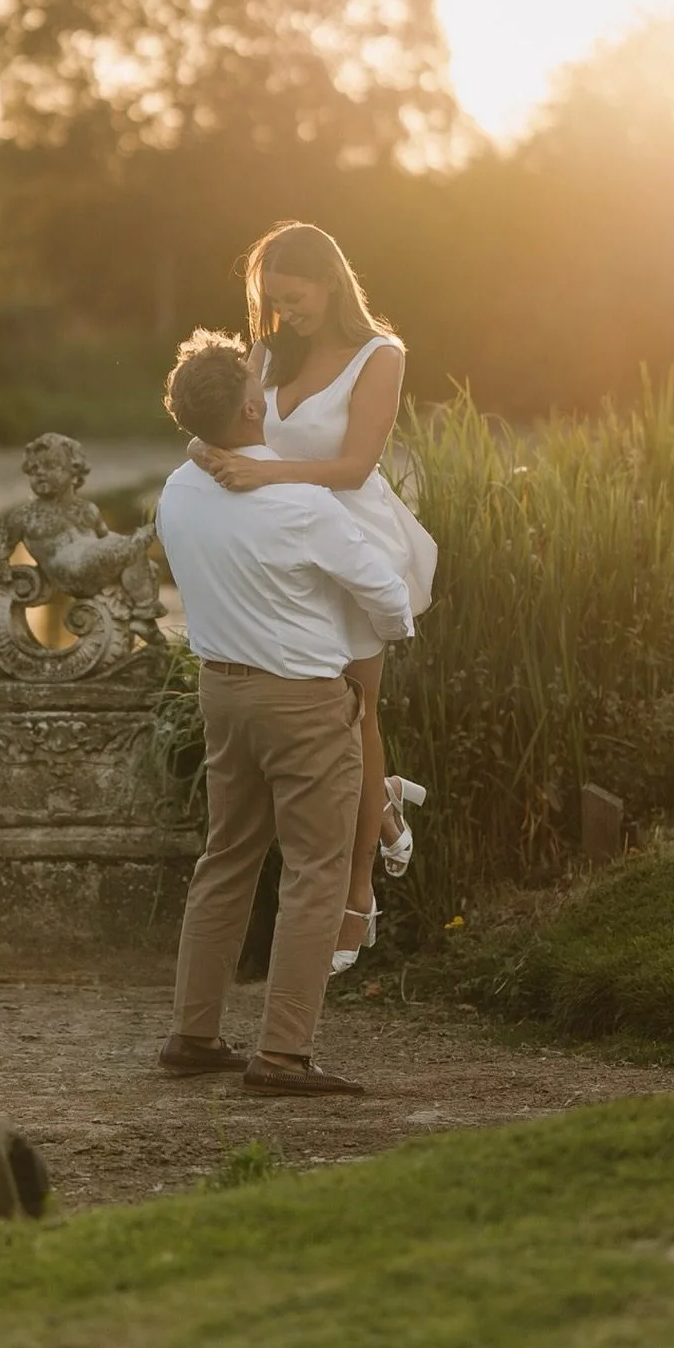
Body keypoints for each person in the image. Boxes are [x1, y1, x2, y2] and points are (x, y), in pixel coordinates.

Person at [156, 330, 413, 1095]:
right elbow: (392, 604)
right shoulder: (300, 502)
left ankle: (193, 1034)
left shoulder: (177, 489)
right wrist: (357, 643)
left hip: (222, 693)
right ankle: (284, 1054)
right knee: (315, 871)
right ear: (249, 404)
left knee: (227, 857)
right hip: (302, 700)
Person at [191, 222, 436, 972]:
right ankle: (382, 805)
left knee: (355, 712)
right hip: (278, 549)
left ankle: (357, 896)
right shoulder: (267, 352)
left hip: (350, 543)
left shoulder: (379, 356)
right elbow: (224, 433)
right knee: (319, 715)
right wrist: (202, 451)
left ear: (330, 283)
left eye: (293, 298)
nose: (282, 312)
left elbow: (358, 467)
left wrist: (261, 476)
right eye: (272, 301)